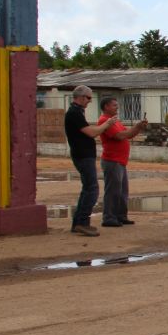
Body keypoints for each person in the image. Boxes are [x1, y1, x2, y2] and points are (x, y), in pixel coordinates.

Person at [64, 85, 115, 237]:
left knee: (88, 188)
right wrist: (107, 124)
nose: (90, 101)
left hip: (84, 155)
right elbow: (92, 132)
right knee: (92, 189)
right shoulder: (74, 113)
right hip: (83, 155)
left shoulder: (77, 112)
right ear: (80, 97)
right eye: (88, 98)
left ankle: (79, 223)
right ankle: (82, 223)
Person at [96, 96, 148, 227]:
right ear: (106, 107)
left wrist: (138, 127)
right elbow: (120, 136)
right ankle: (109, 217)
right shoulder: (105, 121)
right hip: (112, 160)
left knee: (122, 191)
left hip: (119, 161)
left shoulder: (114, 121)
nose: (117, 107)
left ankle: (120, 216)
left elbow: (128, 134)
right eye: (114, 105)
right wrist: (137, 127)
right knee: (113, 191)